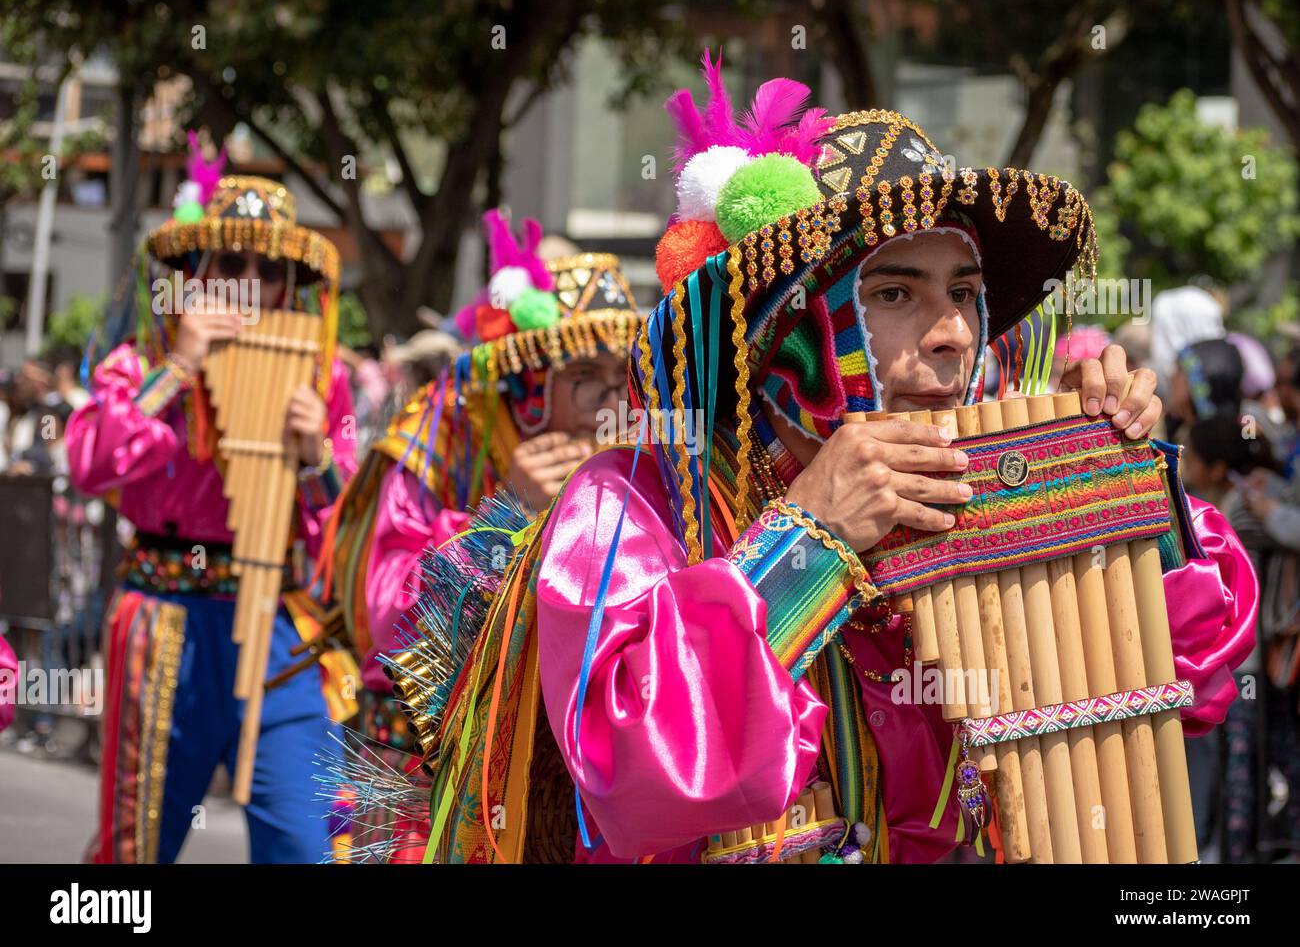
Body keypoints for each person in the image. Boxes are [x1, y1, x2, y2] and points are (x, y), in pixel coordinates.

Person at [365, 59, 1257, 864]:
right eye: (896, 292)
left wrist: (1131, 496)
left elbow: (1198, 669)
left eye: (966, 294)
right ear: (790, 329)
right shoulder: (635, 503)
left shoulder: (998, 474)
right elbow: (635, 774)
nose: (952, 335)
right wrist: (807, 540)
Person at [321, 209, 643, 861]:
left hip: (550, 778)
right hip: (422, 764)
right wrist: (509, 513)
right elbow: (387, 619)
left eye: (624, 381)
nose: (614, 406)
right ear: (529, 389)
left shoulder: (634, 459)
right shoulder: (440, 434)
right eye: (586, 380)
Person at [67, 160, 358, 863]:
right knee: (136, 846)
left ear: (293, 283)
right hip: (164, 616)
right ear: (197, 272)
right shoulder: (140, 364)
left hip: (279, 626)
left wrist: (315, 455)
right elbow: (89, 464)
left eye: (269, 268)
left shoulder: (324, 376)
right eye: (231, 262)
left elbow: (340, 526)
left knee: (307, 842)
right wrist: (178, 371)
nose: (249, 286)